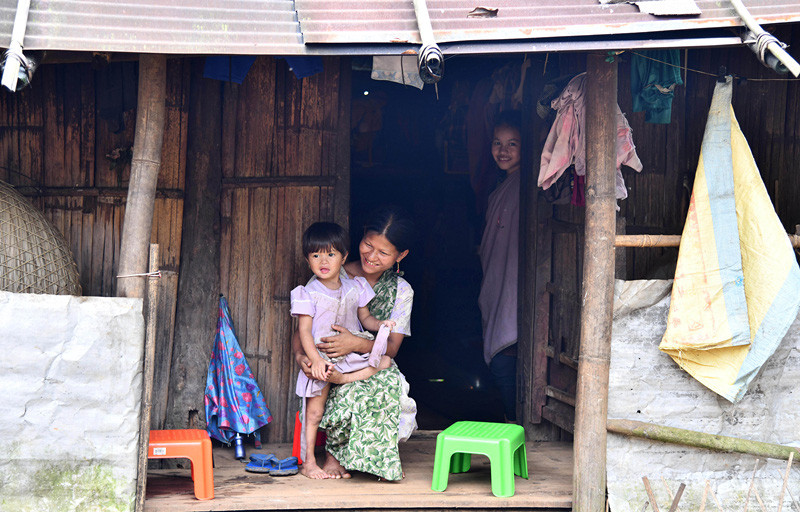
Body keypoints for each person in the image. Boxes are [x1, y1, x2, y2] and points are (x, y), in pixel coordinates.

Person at [292, 206, 417, 481]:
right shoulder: (332, 272)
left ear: (401, 256)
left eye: (383, 253)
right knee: (344, 392)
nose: (371, 257)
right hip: (326, 362)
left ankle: (378, 458)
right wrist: (304, 360)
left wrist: (354, 343)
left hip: (366, 361)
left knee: (383, 385)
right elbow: (303, 332)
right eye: (368, 245)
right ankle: (333, 456)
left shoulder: (401, 292)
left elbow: (392, 349)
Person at [479, 110, 522, 423]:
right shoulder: (501, 188)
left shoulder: (525, 188)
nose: (502, 151)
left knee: (506, 358)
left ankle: (515, 425)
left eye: (512, 144)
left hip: (513, 284)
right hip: (498, 281)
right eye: (497, 143)